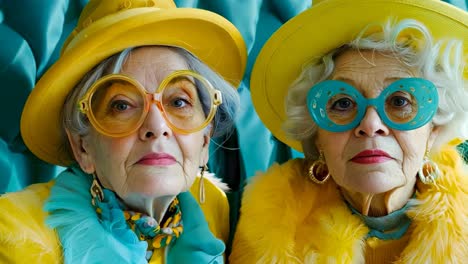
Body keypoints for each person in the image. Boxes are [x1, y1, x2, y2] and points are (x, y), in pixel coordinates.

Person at [0, 0, 246, 263]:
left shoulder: (212, 209)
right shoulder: (13, 236)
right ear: (83, 147)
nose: (157, 126)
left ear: (205, 140)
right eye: (122, 105)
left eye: (178, 102)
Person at [230, 0, 468, 262]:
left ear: (433, 129)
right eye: (343, 103)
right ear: (316, 134)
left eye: (399, 101)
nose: (370, 125)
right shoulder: (269, 229)